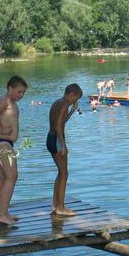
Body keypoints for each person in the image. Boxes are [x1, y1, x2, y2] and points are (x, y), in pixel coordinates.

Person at [0, 75, 28, 226]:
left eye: (23, 93)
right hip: (1, 142)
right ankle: (2, 215)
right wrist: (1, 128)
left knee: (4, 177)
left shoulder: (9, 101)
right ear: (10, 88)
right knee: (12, 176)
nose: (21, 95)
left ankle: (3, 212)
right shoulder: (5, 99)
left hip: (3, 142)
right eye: (19, 92)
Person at [46, 84, 82, 216]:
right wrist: (63, 145)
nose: (75, 101)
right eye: (75, 98)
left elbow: (61, 121)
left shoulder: (58, 103)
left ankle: (55, 204)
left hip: (50, 138)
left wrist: (73, 110)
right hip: (56, 139)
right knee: (64, 174)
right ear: (71, 95)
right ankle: (61, 207)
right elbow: (58, 126)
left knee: (61, 173)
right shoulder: (64, 104)